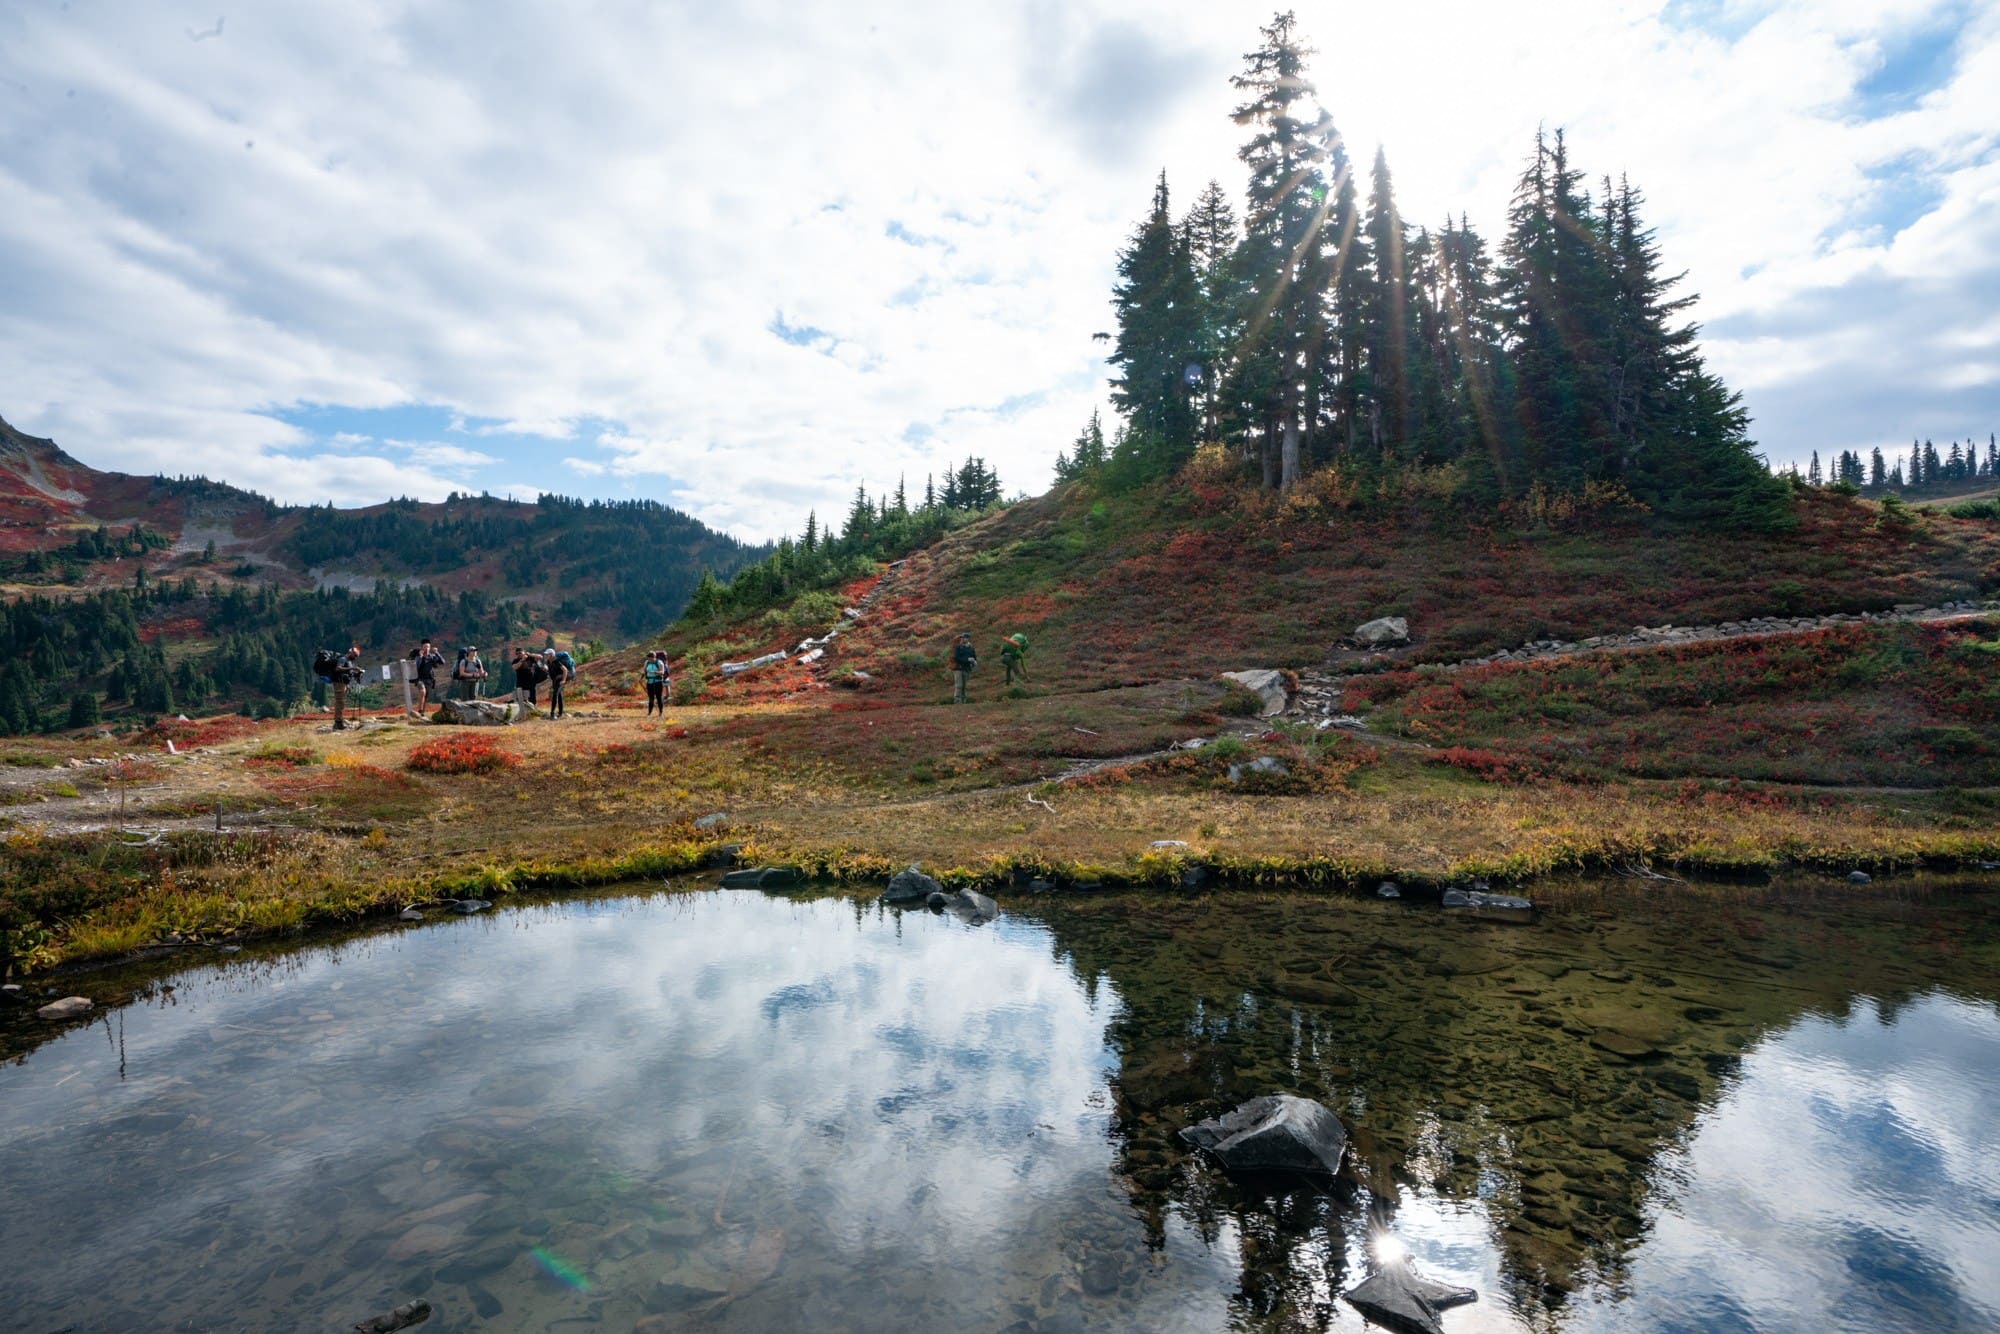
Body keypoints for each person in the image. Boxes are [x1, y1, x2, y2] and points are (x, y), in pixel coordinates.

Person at [331, 644, 361, 731]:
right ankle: (338, 723)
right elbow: (338, 668)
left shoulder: (349, 661)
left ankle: (339, 720)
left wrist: (357, 673)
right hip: (339, 683)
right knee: (340, 702)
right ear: (350, 652)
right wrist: (352, 668)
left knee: (341, 702)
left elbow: (350, 673)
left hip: (344, 683)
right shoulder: (343, 659)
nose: (355, 657)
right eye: (355, 655)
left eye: (356, 656)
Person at [410, 640, 445, 713]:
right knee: (422, 692)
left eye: (428, 647)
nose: (427, 648)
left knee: (426, 697)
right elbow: (416, 666)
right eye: (425, 646)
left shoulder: (432, 657)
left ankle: (422, 712)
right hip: (419, 679)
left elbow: (442, 662)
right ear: (422, 648)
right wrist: (420, 657)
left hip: (429, 679)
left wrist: (436, 653)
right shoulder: (418, 657)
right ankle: (419, 710)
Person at [542, 647, 569, 719]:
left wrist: (563, 680)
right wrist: (546, 671)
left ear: (551, 655)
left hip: (559, 680)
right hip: (555, 680)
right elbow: (552, 672)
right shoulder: (548, 662)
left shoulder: (557, 661)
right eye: (545, 654)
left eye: (547, 654)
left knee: (555, 695)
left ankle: (552, 714)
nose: (545, 655)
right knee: (559, 696)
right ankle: (560, 713)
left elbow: (565, 670)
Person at [951, 632, 977, 704]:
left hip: (967, 668)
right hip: (958, 668)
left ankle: (964, 701)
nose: (962, 639)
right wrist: (967, 659)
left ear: (967, 639)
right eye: (962, 637)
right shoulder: (958, 647)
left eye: (964, 637)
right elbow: (956, 657)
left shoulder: (971, 647)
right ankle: (957, 701)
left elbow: (974, 656)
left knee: (965, 686)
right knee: (959, 685)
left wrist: (973, 661)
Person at [643, 650, 667, 715]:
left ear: (654, 657)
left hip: (658, 682)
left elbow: (662, 672)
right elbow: (644, 670)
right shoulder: (647, 662)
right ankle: (649, 713)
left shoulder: (659, 662)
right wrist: (644, 676)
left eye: (650, 657)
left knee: (659, 697)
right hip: (649, 682)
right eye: (648, 657)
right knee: (651, 698)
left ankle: (660, 712)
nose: (649, 659)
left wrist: (654, 672)